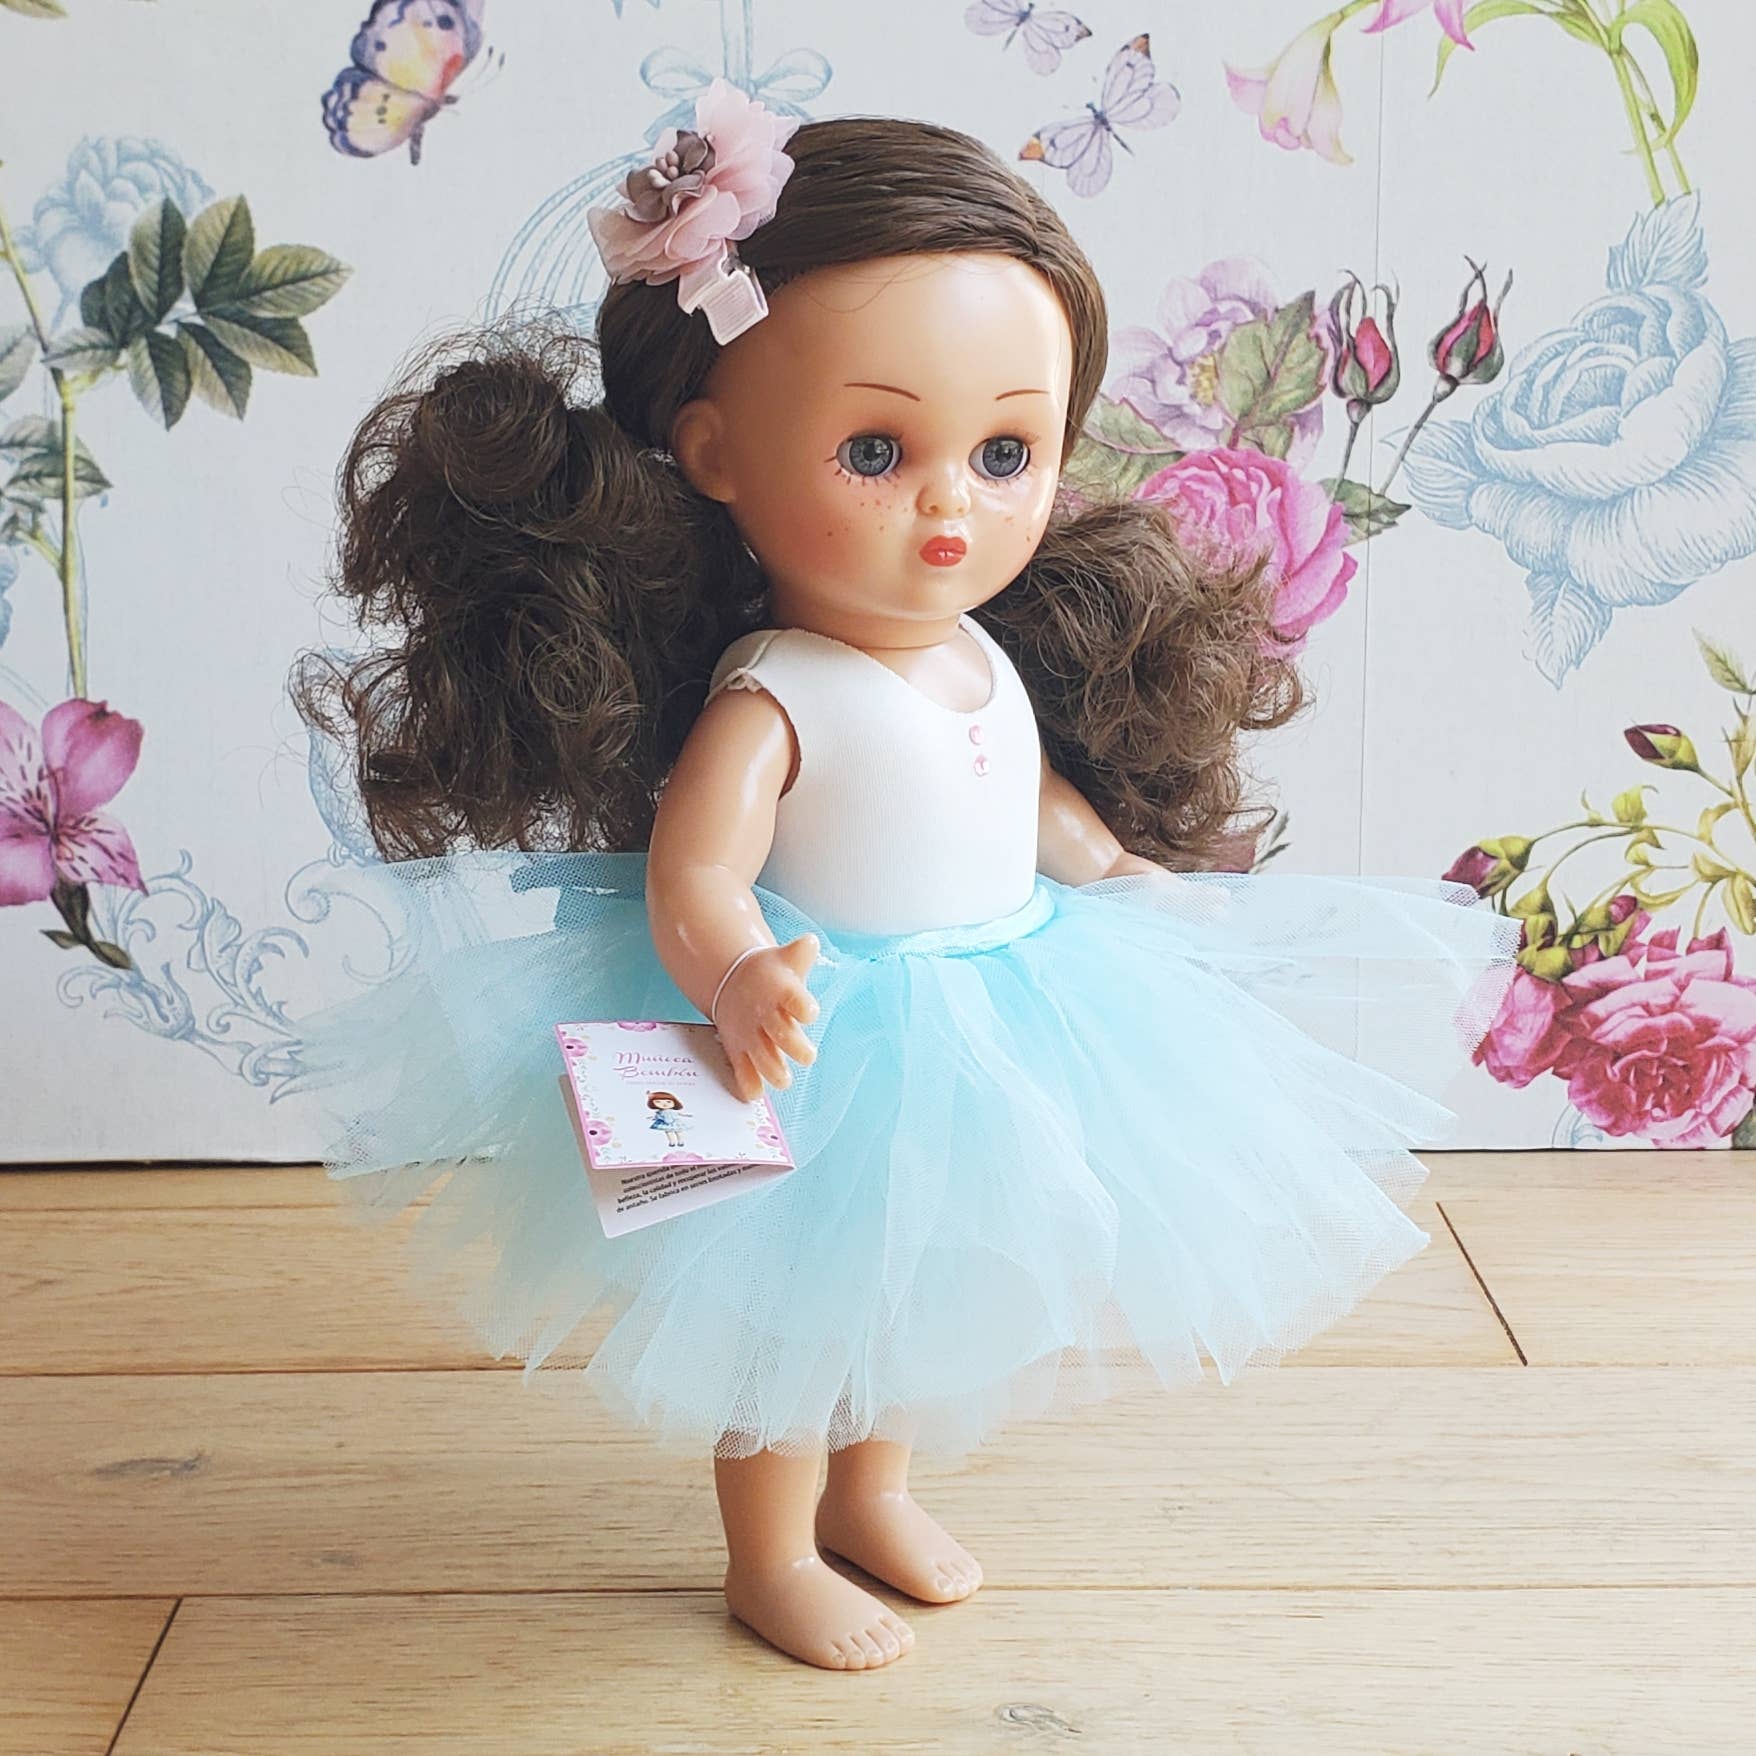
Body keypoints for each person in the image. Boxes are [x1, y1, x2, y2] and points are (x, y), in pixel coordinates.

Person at [290, 80, 1520, 1672]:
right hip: (823, 1038)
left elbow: (1031, 804)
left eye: (1006, 450)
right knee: (781, 1321)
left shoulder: (982, 658)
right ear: (715, 451)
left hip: (999, 1014)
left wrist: (1123, 872)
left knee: (917, 1287)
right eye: (877, 449)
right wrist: (738, 971)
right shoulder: (774, 695)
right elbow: (696, 874)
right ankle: (768, 1556)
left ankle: (872, 1497)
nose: (952, 499)